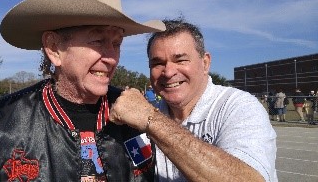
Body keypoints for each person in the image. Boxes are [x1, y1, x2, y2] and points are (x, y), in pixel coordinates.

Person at [0, 0, 165, 181]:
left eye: (117, 44)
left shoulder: (139, 118)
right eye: (98, 41)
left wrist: (152, 122)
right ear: (54, 49)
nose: (111, 58)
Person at [109, 18, 277, 181]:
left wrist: (151, 119)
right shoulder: (146, 113)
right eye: (157, 63)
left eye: (180, 60)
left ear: (205, 63)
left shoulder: (238, 107)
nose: (168, 72)